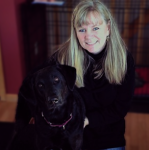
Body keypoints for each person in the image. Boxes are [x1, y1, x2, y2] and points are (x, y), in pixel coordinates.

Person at [48, 0, 135, 150]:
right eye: (82, 30)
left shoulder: (124, 59)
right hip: (70, 136)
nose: (88, 36)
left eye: (95, 28)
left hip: (109, 137)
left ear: (108, 28)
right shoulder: (61, 58)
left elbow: (121, 107)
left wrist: (87, 120)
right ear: (75, 31)